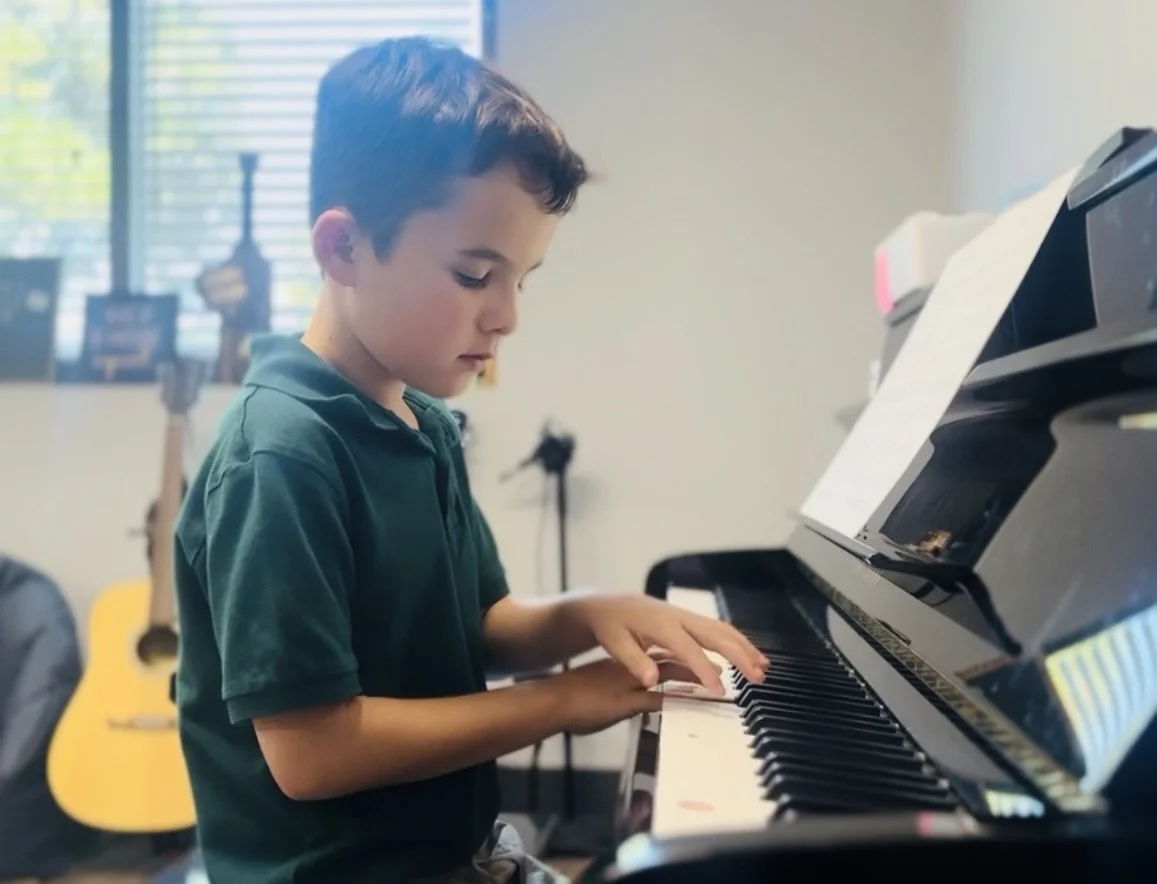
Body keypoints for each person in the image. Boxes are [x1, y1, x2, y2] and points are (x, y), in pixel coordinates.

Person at [172, 35, 767, 884]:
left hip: (459, 853)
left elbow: (480, 627)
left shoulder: (421, 422)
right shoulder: (281, 455)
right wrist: (558, 703)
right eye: (472, 274)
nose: (506, 318)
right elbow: (311, 751)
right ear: (342, 249)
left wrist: (590, 612)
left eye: (521, 280)